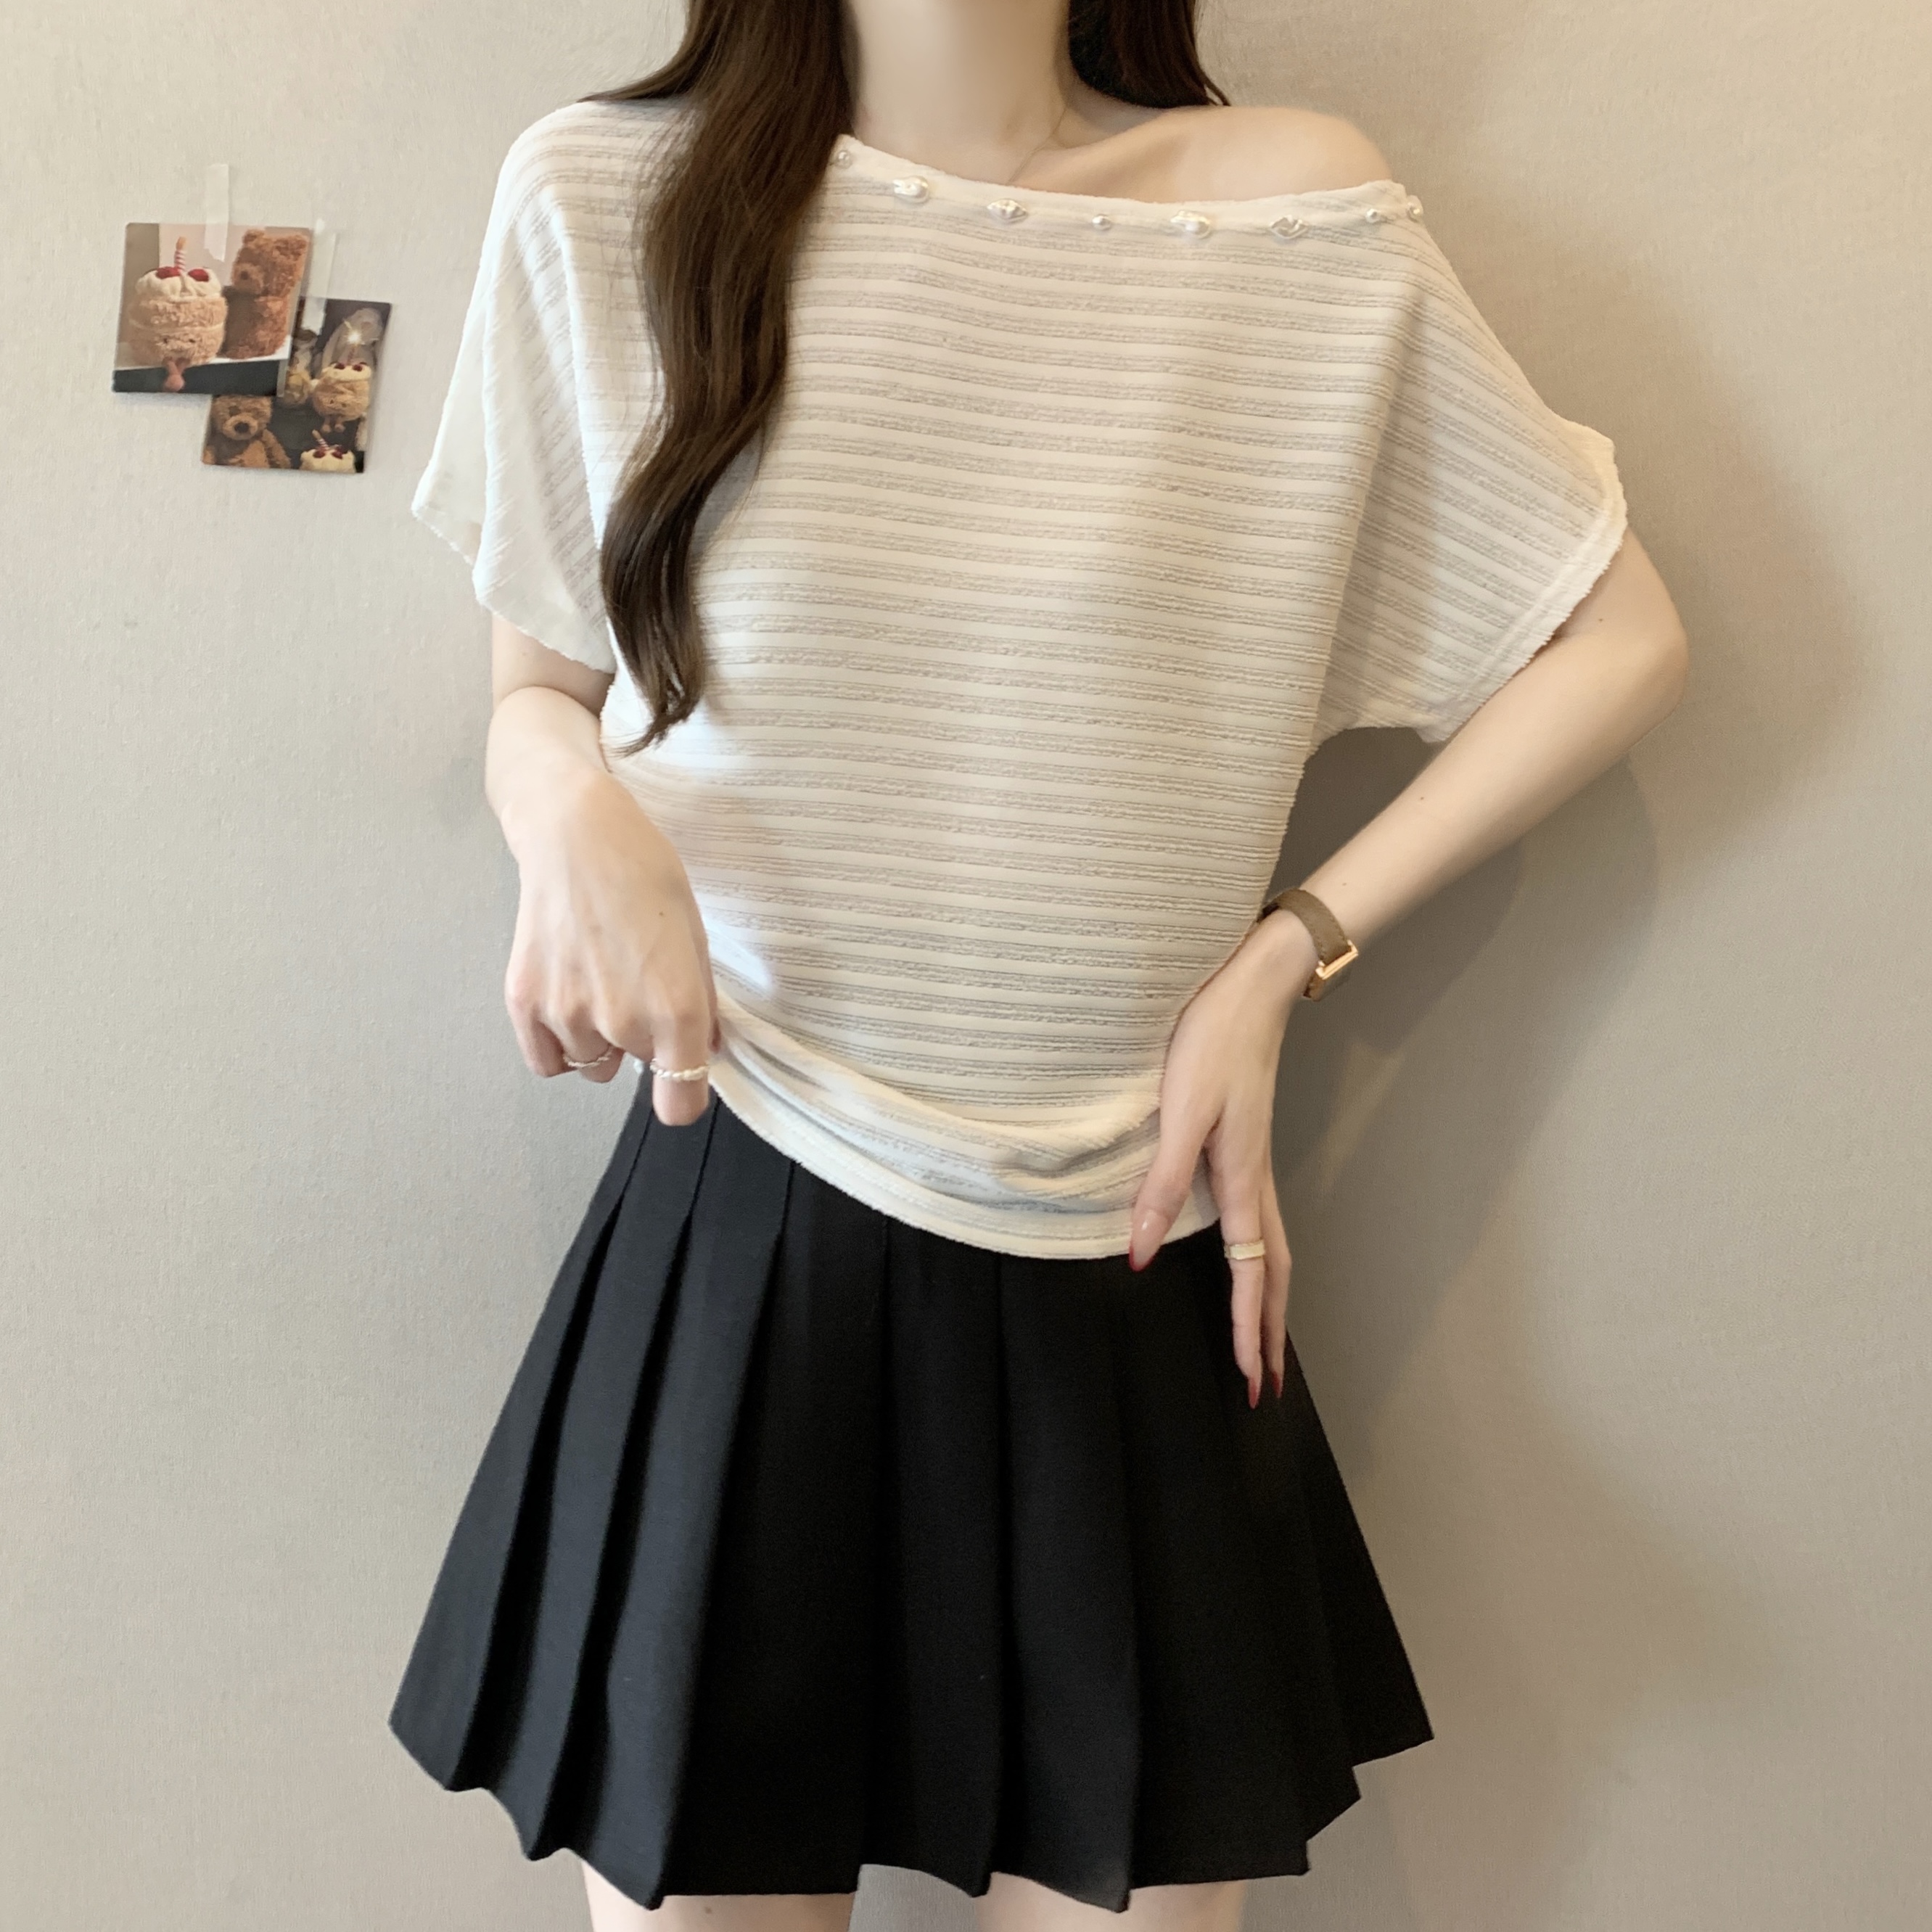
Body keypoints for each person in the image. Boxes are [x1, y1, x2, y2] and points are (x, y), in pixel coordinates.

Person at [387, 3, 1690, 1929]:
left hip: (1131, 1235)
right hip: (746, 1215)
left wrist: (1286, 957)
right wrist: (567, 807)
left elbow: (1618, 638)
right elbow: (537, 682)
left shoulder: (1294, 220)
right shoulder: (607, 194)